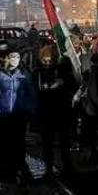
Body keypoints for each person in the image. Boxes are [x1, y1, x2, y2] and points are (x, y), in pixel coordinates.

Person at [0, 49, 35, 184]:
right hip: (3, 116)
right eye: (13, 57)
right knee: (3, 144)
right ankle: (3, 172)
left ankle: (19, 169)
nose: (15, 60)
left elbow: (30, 93)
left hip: (19, 115)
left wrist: (29, 109)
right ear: (7, 59)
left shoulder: (24, 75)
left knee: (19, 144)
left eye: (18, 58)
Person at [33, 45, 78, 178]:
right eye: (45, 60)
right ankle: (49, 169)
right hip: (46, 112)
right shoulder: (38, 73)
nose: (47, 63)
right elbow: (36, 90)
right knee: (48, 143)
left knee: (64, 141)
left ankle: (67, 166)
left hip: (61, 111)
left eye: (50, 60)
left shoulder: (62, 71)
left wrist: (62, 82)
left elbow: (73, 83)